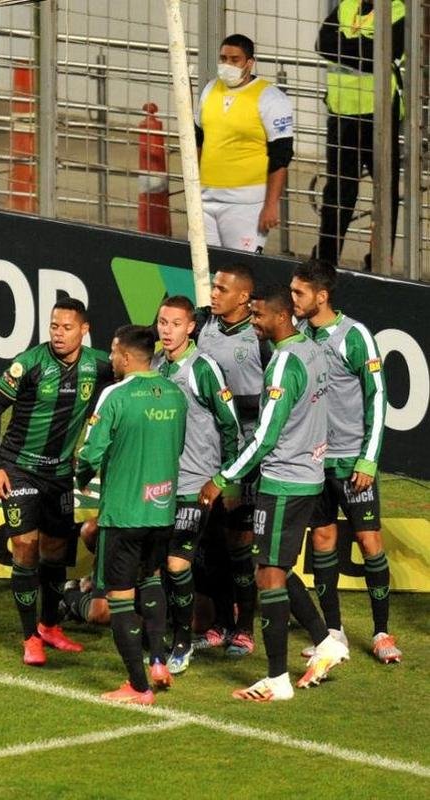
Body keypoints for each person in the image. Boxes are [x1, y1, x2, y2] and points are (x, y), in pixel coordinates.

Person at [199, 286, 347, 702]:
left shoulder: (282, 363)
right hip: (308, 475)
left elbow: (265, 436)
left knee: (268, 575)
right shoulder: (312, 350)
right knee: (275, 568)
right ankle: (325, 641)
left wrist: (224, 477)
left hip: (284, 479)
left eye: (259, 315)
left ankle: (277, 679)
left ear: (280, 317)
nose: (254, 321)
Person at [0, 298, 114, 666]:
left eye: (67, 327)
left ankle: (50, 626)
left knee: (56, 552)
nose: (58, 334)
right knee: (25, 547)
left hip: (59, 474)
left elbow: (134, 366)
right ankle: (29, 638)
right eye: (54, 326)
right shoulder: (29, 365)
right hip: (19, 468)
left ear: (84, 330)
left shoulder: (98, 365)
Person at [290, 259, 401, 663]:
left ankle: (382, 631)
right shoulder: (298, 335)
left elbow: (378, 398)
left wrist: (368, 460)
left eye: (299, 293)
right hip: (314, 465)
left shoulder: (355, 337)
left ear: (321, 296)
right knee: (322, 542)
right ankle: (333, 633)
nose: (293, 299)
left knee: (370, 543)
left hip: (353, 463)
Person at [76, 325, 186, 705]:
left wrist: (81, 475)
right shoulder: (175, 393)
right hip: (162, 510)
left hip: (124, 513)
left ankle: (138, 687)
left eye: (112, 351)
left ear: (125, 355)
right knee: (153, 580)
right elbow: (180, 443)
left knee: (120, 600)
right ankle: (158, 661)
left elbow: (91, 453)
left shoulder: (115, 395)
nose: (110, 358)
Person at [153, 295, 242, 676]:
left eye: (174, 324)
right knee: (159, 566)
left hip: (195, 485)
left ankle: (183, 641)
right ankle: (163, 637)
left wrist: (226, 478)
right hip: (158, 486)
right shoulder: (155, 366)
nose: (166, 330)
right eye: (162, 322)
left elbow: (231, 426)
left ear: (191, 327)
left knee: (177, 563)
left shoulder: (203, 369)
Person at [192, 264, 268, 657]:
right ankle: (221, 622)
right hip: (207, 451)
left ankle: (244, 628)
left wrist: (224, 401)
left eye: (222, 288)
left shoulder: (260, 338)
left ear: (243, 297)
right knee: (213, 540)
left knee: (241, 544)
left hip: (245, 452)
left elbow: (275, 399)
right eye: (214, 287)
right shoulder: (202, 324)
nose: (214, 293)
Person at [315, 1, 405, 271]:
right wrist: (361, 50)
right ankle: (325, 262)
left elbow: (381, 57)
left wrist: (342, 46)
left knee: (385, 192)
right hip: (342, 114)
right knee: (338, 192)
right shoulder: (347, 6)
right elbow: (322, 43)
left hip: (379, 115)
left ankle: (378, 262)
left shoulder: (397, 10)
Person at [195, 34, 295, 253]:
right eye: (223, 58)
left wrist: (270, 205)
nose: (227, 65)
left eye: (234, 59)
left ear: (250, 62)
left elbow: (281, 157)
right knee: (207, 271)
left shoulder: (271, 98)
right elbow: (199, 139)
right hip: (205, 199)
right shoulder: (209, 90)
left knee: (240, 270)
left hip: (246, 204)